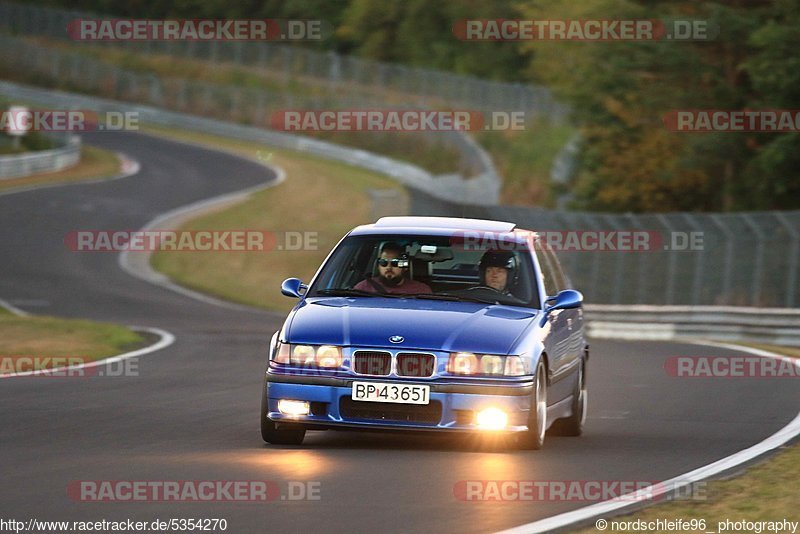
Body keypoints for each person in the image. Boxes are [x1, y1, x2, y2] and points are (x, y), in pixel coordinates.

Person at [354, 242, 432, 295]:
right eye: (383, 262)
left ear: (404, 267)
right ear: (378, 265)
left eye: (395, 263)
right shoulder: (362, 289)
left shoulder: (421, 291)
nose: (389, 267)